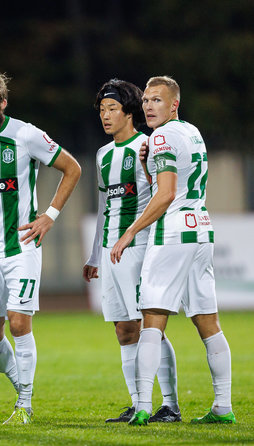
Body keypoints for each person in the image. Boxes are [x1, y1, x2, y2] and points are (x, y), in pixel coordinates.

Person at [0, 72, 81, 424]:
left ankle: (25, 403)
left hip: (22, 246)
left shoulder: (25, 135)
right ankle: (20, 385)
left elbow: (72, 168)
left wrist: (49, 216)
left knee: (18, 322)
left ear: (3, 103)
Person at [111, 76, 235, 426]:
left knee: (152, 319)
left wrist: (129, 233)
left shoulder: (161, 136)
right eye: (146, 100)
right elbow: (174, 183)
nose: (149, 106)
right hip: (201, 229)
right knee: (208, 321)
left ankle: (143, 408)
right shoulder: (192, 132)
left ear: (174, 104)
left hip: (173, 232)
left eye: (157, 100)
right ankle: (223, 407)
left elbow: (166, 195)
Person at [83, 79, 180, 423]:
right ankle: (138, 402)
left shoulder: (147, 145)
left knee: (150, 327)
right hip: (112, 252)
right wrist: (96, 254)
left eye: (112, 109)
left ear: (129, 112)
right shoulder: (103, 154)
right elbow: (103, 204)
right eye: (101, 110)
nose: (105, 116)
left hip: (138, 249)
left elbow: (160, 196)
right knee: (124, 329)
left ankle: (168, 404)